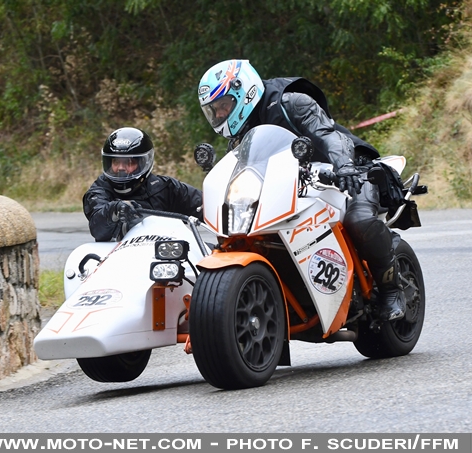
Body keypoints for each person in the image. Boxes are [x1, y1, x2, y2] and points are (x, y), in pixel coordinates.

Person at [197, 59, 405, 321]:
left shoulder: (292, 103)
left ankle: (390, 289)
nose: (219, 116)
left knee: (360, 220)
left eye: (223, 106)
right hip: (300, 183)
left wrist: (345, 166)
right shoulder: (242, 135)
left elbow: (330, 135)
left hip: (346, 171)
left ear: (244, 92)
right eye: (214, 111)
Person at [83, 127, 203, 242]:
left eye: (128, 162)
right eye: (116, 161)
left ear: (143, 163)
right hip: (118, 257)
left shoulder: (166, 187)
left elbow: (206, 206)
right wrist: (114, 210)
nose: (120, 168)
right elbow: (97, 226)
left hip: (165, 255)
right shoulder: (99, 191)